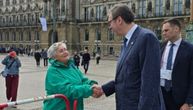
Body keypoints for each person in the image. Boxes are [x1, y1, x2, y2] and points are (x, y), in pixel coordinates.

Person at [93, 4, 165, 110]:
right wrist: (104, 89)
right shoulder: (127, 41)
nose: (109, 26)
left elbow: (150, 84)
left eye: (110, 22)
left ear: (119, 20)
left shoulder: (146, 37)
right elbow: (129, 77)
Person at [43, 42, 101, 110]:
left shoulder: (71, 66)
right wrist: (89, 90)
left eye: (65, 49)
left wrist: (92, 85)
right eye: (61, 51)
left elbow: (83, 80)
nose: (65, 52)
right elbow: (67, 90)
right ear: (54, 56)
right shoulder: (53, 71)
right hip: (58, 107)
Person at [160, 18, 193, 110]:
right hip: (161, 95)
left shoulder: (190, 49)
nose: (163, 33)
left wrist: (188, 102)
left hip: (179, 100)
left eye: (166, 30)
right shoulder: (161, 46)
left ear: (176, 29)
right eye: (162, 31)